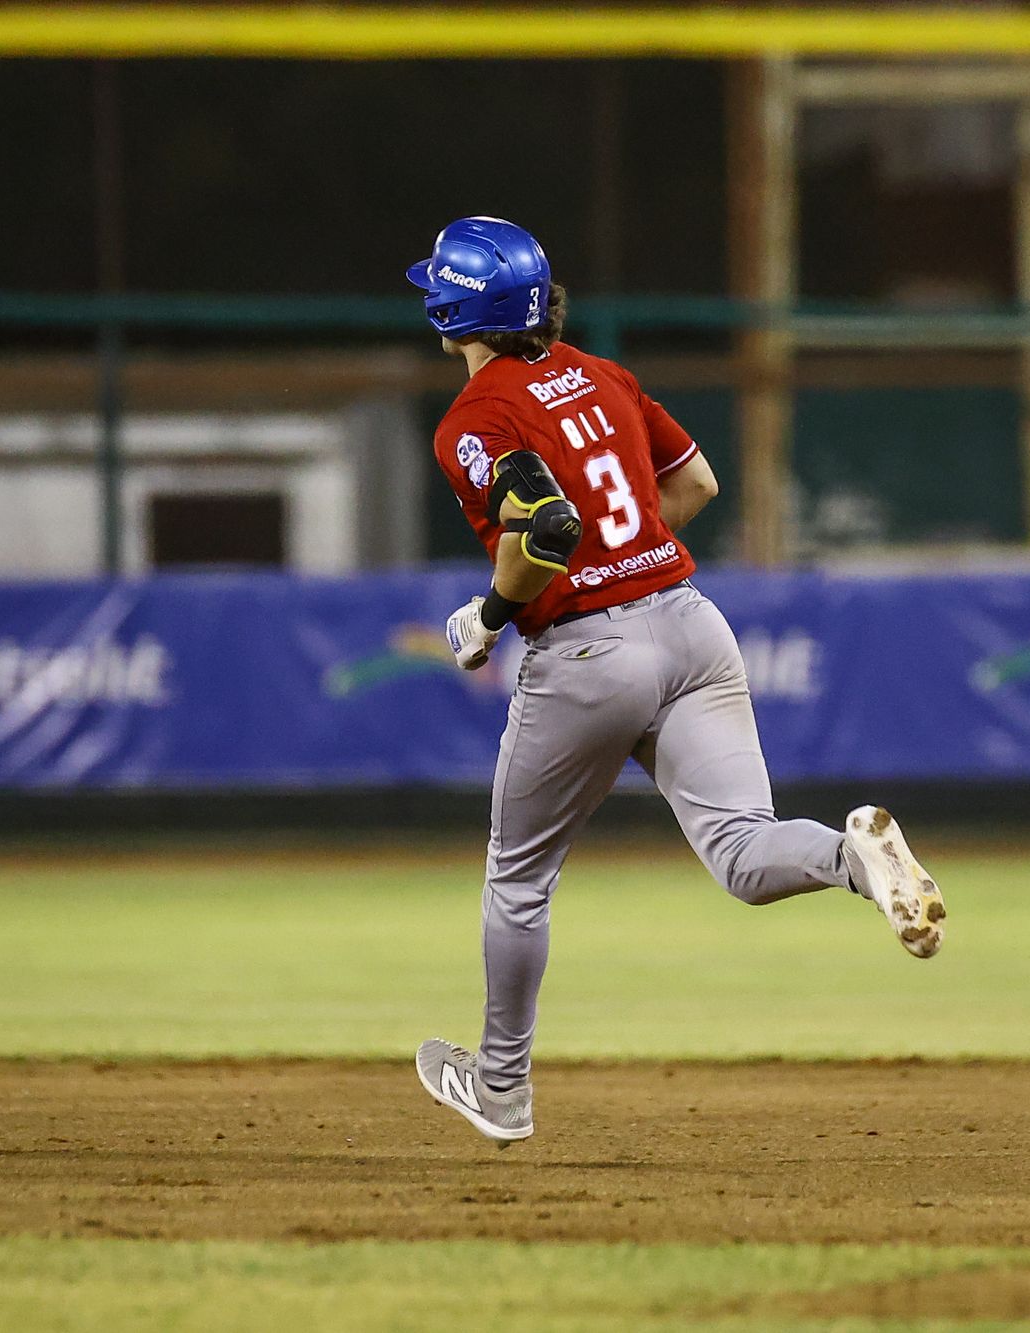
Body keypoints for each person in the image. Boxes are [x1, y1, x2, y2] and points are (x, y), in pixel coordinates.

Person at [407, 217, 946, 1143]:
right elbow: (695, 482)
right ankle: (851, 859)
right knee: (742, 850)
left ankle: (501, 1089)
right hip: (693, 626)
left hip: (585, 652)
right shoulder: (602, 374)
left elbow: (544, 529)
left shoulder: (474, 417)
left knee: (519, 881)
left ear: (454, 310)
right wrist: (627, 555)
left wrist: (490, 615)